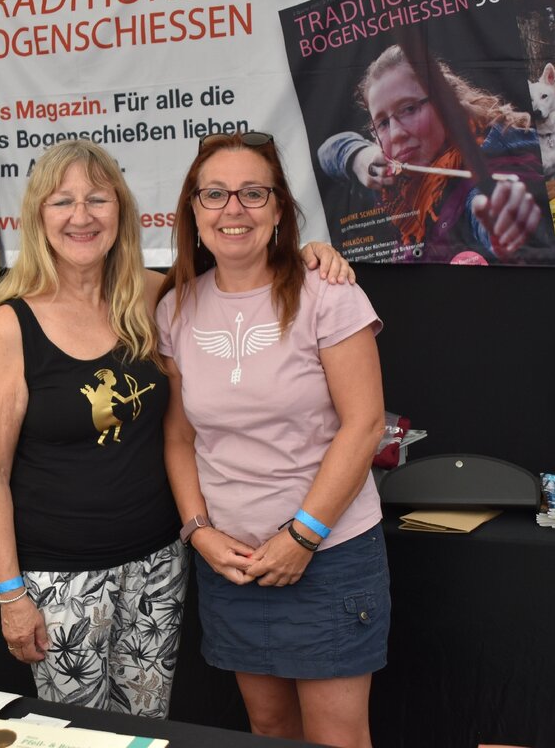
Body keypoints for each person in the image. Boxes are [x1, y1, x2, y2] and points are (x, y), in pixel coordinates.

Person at [0, 138, 353, 719]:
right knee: (83, 735)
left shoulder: (153, 296)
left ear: (120, 211)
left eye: (97, 199)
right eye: (62, 201)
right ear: (37, 217)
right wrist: (9, 594)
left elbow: (241, 266)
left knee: (145, 728)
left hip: (158, 567)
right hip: (62, 581)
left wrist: (309, 254)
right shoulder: (11, 325)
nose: (81, 216)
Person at [157, 131, 389, 748]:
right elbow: (179, 437)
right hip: (232, 564)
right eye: (214, 194)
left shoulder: (328, 294)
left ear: (279, 207)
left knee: (336, 738)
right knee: (269, 730)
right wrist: (199, 532)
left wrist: (302, 537)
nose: (233, 209)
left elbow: (365, 425)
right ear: (193, 210)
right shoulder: (175, 309)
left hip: (329, 554)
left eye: (252, 193)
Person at [318, 43, 550, 264]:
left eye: (409, 109)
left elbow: (482, 203)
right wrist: (360, 156)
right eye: (382, 123)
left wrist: (499, 222)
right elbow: (329, 149)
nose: (396, 134)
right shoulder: (395, 182)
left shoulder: (493, 157)